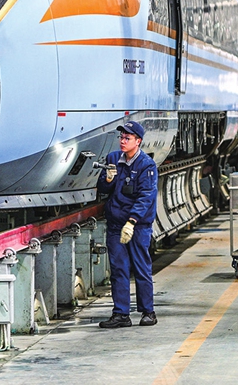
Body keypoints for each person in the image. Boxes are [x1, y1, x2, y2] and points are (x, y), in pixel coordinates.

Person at [96, 121, 158, 328]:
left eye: (127, 138)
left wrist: (132, 222)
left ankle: (148, 311)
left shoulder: (146, 165)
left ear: (138, 141)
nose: (122, 141)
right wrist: (108, 179)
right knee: (118, 269)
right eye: (121, 138)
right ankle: (121, 314)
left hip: (137, 226)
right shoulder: (113, 159)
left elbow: (146, 196)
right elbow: (103, 189)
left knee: (141, 268)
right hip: (115, 224)